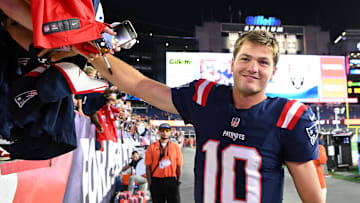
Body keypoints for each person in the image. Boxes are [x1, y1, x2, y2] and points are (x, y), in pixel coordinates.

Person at [78, 29, 324, 203]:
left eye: (263, 62)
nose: (253, 68)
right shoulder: (205, 97)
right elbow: (140, 85)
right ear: (232, 63)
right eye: (246, 59)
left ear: (273, 71)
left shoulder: (289, 116)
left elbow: (313, 199)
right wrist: (91, 52)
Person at [145, 123, 183, 203]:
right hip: (156, 181)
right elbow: (148, 167)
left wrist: (178, 182)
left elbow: (179, 166)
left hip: (171, 180)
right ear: (158, 132)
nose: (165, 132)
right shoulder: (151, 147)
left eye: (167, 130)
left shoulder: (176, 147)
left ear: (170, 132)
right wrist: (150, 184)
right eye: (162, 130)